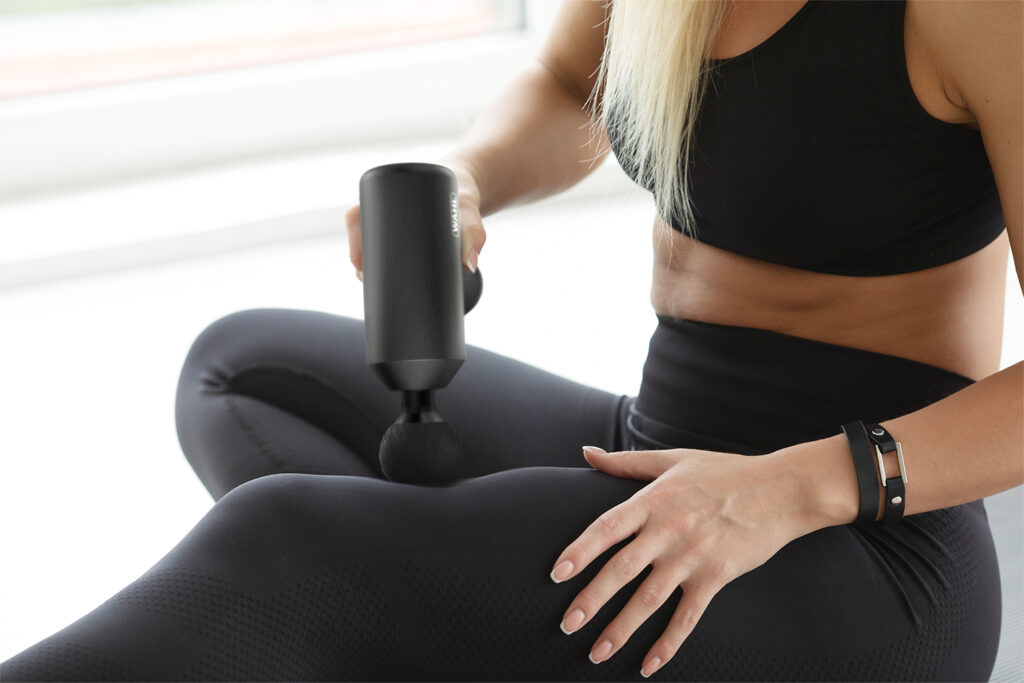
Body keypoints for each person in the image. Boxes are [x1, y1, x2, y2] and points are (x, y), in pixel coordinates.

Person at [3, 0, 1021, 680]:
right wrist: (469, 176)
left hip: (855, 548)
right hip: (658, 440)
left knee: (287, 543)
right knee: (242, 372)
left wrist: (790, 486)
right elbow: (571, 81)